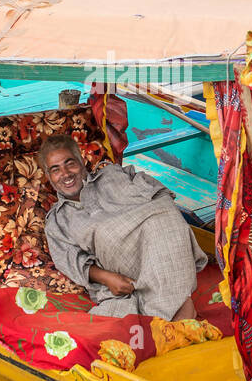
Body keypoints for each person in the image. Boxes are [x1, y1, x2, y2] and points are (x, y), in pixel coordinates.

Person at [39, 135, 207, 320]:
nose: (65, 173)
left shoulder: (113, 175)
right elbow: (71, 262)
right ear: (49, 176)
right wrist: (106, 278)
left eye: (70, 163)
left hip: (159, 245)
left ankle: (173, 307)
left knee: (167, 218)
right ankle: (179, 307)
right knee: (105, 232)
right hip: (121, 268)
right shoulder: (57, 221)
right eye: (55, 169)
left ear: (81, 161)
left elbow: (161, 197)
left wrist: (152, 217)